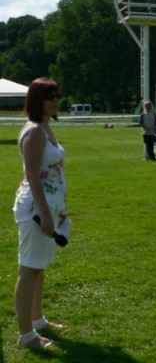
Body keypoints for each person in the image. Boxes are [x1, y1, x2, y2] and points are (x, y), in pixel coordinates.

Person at [14, 77, 68, 349]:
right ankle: (26, 336)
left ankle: (37, 320)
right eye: (50, 97)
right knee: (28, 270)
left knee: (38, 268)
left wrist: (59, 209)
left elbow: (53, 173)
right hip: (35, 209)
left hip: (48, 207)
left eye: (57, 96)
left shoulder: (45, 127)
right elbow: (33, 175)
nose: (56, 101)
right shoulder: (35, 131)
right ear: (38, 100)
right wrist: (46, 213)